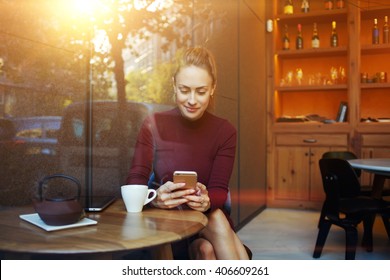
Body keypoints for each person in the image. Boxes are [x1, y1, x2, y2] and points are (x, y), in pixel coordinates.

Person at [126, 46, 249, 260]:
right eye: (184, 90)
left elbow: (219, 189)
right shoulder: (153, 124)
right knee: (209, 244)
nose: (192, 100)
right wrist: (155, 200)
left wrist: (208, 201)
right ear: (174, 85)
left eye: (201, 91)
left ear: (212, 89)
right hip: (166, 220)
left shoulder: (225, 131)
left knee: (209, 241)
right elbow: (135, 180)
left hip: (206, 219)